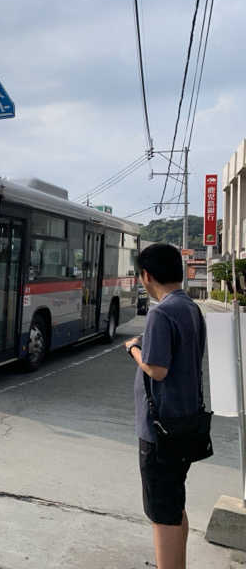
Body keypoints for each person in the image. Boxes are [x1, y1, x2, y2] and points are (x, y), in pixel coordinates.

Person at [124, 243, 206, 569]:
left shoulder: (161, 312)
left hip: (161, 430)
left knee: (162, 513)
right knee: (174, 502)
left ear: (146, 275)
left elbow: (157, 368)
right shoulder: (190, 307)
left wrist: (133, 348)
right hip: (186, 422)